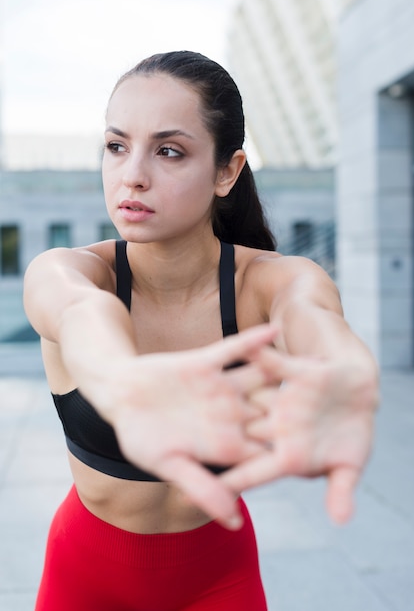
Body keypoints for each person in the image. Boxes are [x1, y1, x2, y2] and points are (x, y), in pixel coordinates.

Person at [24, 50, 378, 611]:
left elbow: (312, 317)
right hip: (84, 577)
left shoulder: (269, 282)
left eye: (169, 151)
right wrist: (120, 379)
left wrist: (341, 370)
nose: (132, 174)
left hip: (218, 580)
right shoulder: (67, 272)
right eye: (116, 146)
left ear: (226, 171)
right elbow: (78, 314)